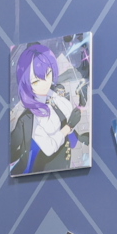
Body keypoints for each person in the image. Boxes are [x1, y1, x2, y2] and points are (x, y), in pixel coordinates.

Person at [10, 39, 83, 174]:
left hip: (66, 161)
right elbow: (49, 148)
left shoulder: (53, 94)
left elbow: (67, 113)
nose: (45, 84)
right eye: (36, 81)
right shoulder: (30, 118)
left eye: (48, 74)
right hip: (49, 169)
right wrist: (69, 126)